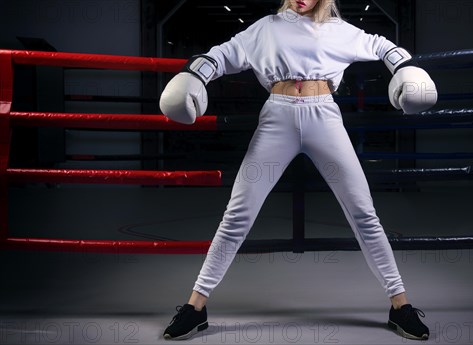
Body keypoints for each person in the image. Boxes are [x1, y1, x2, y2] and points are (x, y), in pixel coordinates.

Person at [159, 0, 437, 341]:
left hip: (324, 116)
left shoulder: (339, 30)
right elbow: (220, 55)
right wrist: (194, 75)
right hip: (278, 117)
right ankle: (195, 307)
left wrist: (404, 67)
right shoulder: (266, 28)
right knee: (237, 214)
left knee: (364, 213)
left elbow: (382, 45)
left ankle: (400, 305)